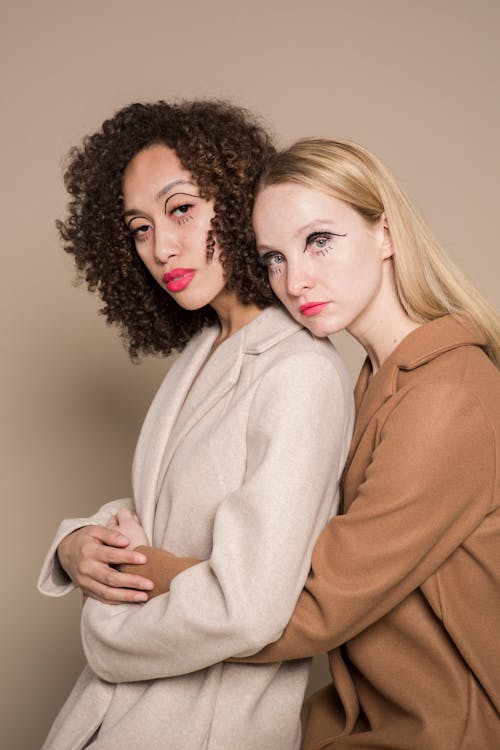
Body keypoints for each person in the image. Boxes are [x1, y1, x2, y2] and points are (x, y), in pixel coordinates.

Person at [127, 138, 500, 749]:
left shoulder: (447, 397)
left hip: (444, 732)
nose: (296, 279)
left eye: (318, 241)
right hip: (354, 722)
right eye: (273, 258)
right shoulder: (375, 380)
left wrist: (134, 576)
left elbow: (312, 607)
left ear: (385, 232)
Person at [37, 107, 354, 750]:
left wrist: (107, 628)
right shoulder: (205, 348)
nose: (160, 247)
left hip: (202, 728)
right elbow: (177, 506)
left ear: (238, 203)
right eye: (140, 227)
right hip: (108, 721)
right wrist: (76, 546)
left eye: (181, 209)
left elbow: (248, 606)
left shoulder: (299, 372)